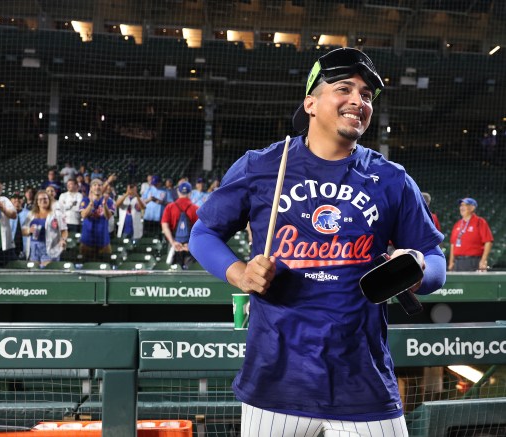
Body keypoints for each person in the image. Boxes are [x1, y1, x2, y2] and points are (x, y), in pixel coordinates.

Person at [189, 47, 446, 436]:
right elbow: (203, 234)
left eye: (366, 95)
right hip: (276, 382)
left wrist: (417, 272)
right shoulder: (263, 166)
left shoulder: (390, 178)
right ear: (310, 102)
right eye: (345, 88)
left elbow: (435, 260)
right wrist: (240, 273)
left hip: (364, 383)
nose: (358, 100)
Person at [22, 190, 68, 267]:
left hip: (51, 247)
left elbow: (64, 230)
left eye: (45, 198)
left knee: (47, 271)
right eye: (40, 199)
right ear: (36, 201)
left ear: (49, 200)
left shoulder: (57, 214)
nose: (43, 201)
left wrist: (63, 240)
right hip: (34, 249)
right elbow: (23, 230)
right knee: (34, 270)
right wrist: (29, 231)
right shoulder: (30, 214)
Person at [448, 198, 493, 272]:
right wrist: (451, 262)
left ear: (472, 208)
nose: (461, 207)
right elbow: (453, 244)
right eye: (461, 205)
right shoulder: (457, 224)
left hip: (473, 261)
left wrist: (483, 260)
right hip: (458, 262)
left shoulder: (480, 222)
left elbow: (488, 242)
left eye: (465, 205)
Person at [161, 182, 199, 269]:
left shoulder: (170, 207)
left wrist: (173, 242)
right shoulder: (196, 208)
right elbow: (200, 230)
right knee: (190, 273)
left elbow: (165, 226)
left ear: (178, 192)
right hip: (190, 247)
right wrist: (191, 244)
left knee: (172, 271)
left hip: (174, 246)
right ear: (190, 193)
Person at [79, 178, 115, 261]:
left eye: (99, 185)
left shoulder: (109, 201)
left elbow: (108, 216)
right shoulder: (85, 200)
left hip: (103, 241)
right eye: (94, 185)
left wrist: (104, 205)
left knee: (105, 267)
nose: (97, 187)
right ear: (91, 188)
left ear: (102, 188)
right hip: (87, 241)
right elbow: (83, 215)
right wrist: (91, 204)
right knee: (86, 267)